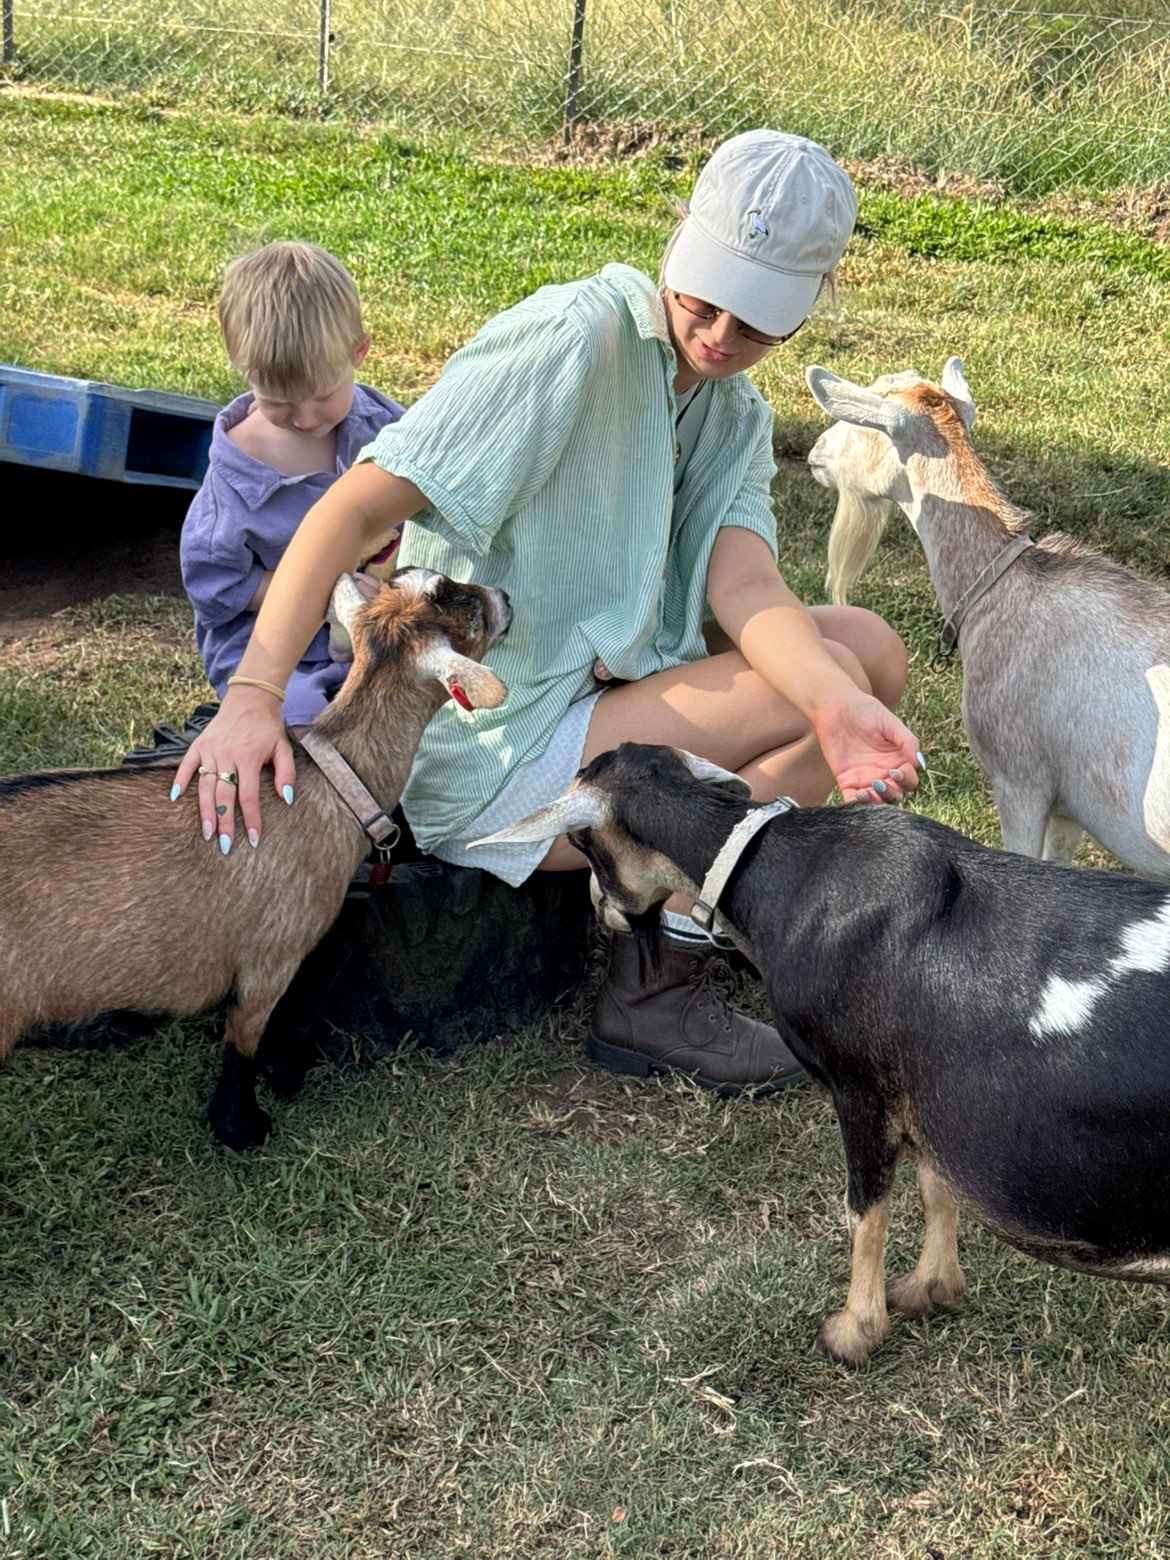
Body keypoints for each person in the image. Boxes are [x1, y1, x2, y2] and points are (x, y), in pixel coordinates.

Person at [174, 131, 923, 1090]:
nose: (720, 334)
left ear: (814, 300)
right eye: (705, 297)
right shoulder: (575, 337)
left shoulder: (731, 416)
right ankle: (657, 985)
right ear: (679, 243)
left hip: (588, 695)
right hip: (490, 734)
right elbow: (352, 508)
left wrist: (838, 702)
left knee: (866, 653)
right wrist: (250, 696)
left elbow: (747, 588)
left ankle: (688, 904)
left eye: (758, 319)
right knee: (831, 683)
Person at [180, 242, 405, 747]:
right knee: (308, 734)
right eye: (278, 402)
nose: (304, 418)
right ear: (243, 368)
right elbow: (217, 587)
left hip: (373, 621)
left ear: (359, 352)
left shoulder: (385, 427)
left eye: (323, 396)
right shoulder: (234, 480)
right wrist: (327, 593)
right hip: (277, 652)